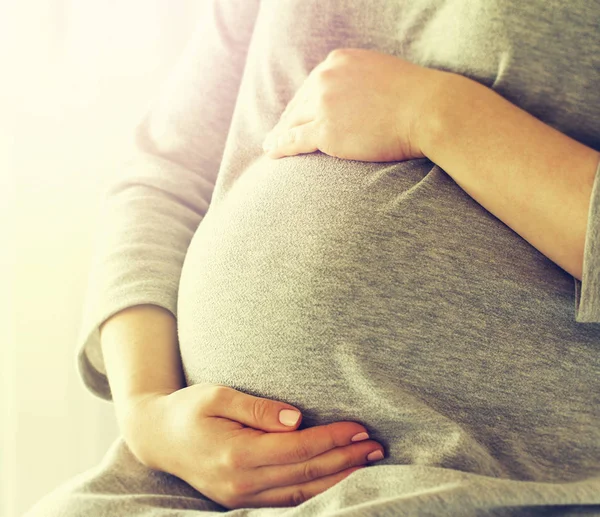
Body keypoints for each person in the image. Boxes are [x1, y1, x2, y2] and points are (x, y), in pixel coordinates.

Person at [24, 0, 600, 515]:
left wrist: (434, 113)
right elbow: (167, 172)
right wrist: (147, 412)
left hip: (486, 479)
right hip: (181, 484)